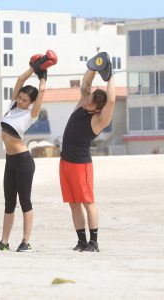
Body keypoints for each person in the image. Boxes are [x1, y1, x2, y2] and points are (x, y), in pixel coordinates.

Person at [0, 50, 57, 252]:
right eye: (20, 97)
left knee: (25, 202)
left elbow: (43, 93)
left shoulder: (30, 115)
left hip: (23, 161)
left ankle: (25, 242)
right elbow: (21, 79)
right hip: (10, 161)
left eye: (24, 100)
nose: (20, 101)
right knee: (9, 203)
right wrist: (35, 67)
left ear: (30, 103)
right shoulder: (12, 106)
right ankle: (4, 241)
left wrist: (43, 76)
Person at [59, 52, 116, 252]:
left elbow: (111, 101)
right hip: (64, 162)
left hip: (80, 165)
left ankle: (94, 242)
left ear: (96, 109)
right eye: (88, 98)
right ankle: (81, 241)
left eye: (90, 102)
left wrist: (109, 77)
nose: (86, 101)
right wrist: (93, 68)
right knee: (73, 203)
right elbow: (85, 84)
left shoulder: (99, 121)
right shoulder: (82, 104)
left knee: (88, 203)